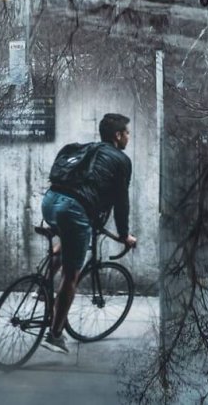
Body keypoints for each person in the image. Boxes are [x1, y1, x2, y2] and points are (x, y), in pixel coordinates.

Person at [40, 113, 137, 353]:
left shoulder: (89, 149)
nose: (128, 137)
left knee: (67, 244)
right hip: (73, 210)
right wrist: (124, 235)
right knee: (71, 276)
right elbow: (121, 202)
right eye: (126, 133)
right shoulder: (121, 160)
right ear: (117, 136)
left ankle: (40, 290)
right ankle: (54, 335)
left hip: (50, 201)